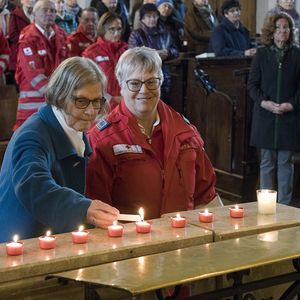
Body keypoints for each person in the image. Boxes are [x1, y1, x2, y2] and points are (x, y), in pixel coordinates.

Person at [86, 46, 221, 220]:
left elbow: (207, 198)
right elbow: (97, 215)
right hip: (129, 242)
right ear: (120, 85)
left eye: (151, 82)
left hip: (184, 239)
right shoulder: (101, 141)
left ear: (161, 81)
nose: (144, 90)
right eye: (134, 83)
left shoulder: (186, 133)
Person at [0, 56, 119, 243]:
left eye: (97, 101)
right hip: (20, 247)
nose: (92, 112)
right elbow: (34, 185)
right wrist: (83, 209)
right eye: (82, 102)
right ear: (60, 96)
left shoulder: (74, 128)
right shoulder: (33, 134)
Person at [248, 12, 300, 206]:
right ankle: (266, 206)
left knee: (285, 163)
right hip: (266, 117)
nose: (283, 31)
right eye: (278, 27)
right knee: (267, 163)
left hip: (289, 116)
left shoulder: (297, 54)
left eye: (286, 27)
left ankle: (285, 207)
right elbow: (252, 85)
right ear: (271, 32)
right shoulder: (262, 54)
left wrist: (290, 105)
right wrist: (265, 103)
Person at [14, 0, 69, 131]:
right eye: (45, 10)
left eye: (53, 11)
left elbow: (67, 67)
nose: (49, 14)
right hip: (32, 105)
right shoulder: (27, 38)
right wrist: (55, 96)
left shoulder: (61, 35)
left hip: (57, 101)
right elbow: (34, 74)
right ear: (34, 13)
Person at [128, 3, 178, 105]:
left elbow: (176, 50)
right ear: (142, 18)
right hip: (145, 74)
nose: (152, 19)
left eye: (154, 16)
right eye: (148, 16)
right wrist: (152, 54)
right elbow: (132, 55)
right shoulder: (136, 34)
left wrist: (168, 52)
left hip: (166, 73)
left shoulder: (165, 33)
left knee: (166, 104)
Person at [82, 12, 127, 111]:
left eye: (119, 29)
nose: (116, 33)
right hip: (101, 106)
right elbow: (86, 85)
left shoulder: (127, 52)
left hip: (125, 105)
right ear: (103, 29)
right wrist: (111, 99)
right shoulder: (91, 53)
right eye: (112, 29)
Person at [8, 0, 35, 73]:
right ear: (21, 1)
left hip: (35, 51)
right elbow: (12, 35)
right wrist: (28, 40)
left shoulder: (38, 14)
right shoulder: (14, 14)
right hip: (19, 52)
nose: (30, 1)